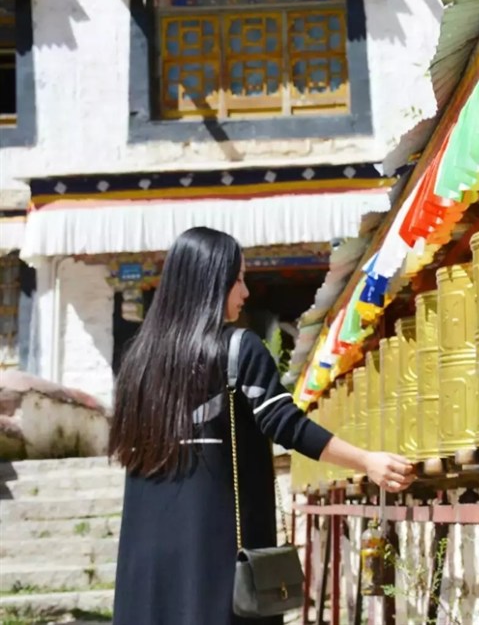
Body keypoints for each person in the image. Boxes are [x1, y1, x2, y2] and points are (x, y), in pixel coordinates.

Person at [109, 227, 415, 625]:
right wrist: (367, 461)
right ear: (211, 282)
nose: (246, 292)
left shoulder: (138, 361)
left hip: (146, 565)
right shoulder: (237, 347)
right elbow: (285, 424)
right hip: (215, 558)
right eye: (238, 279)